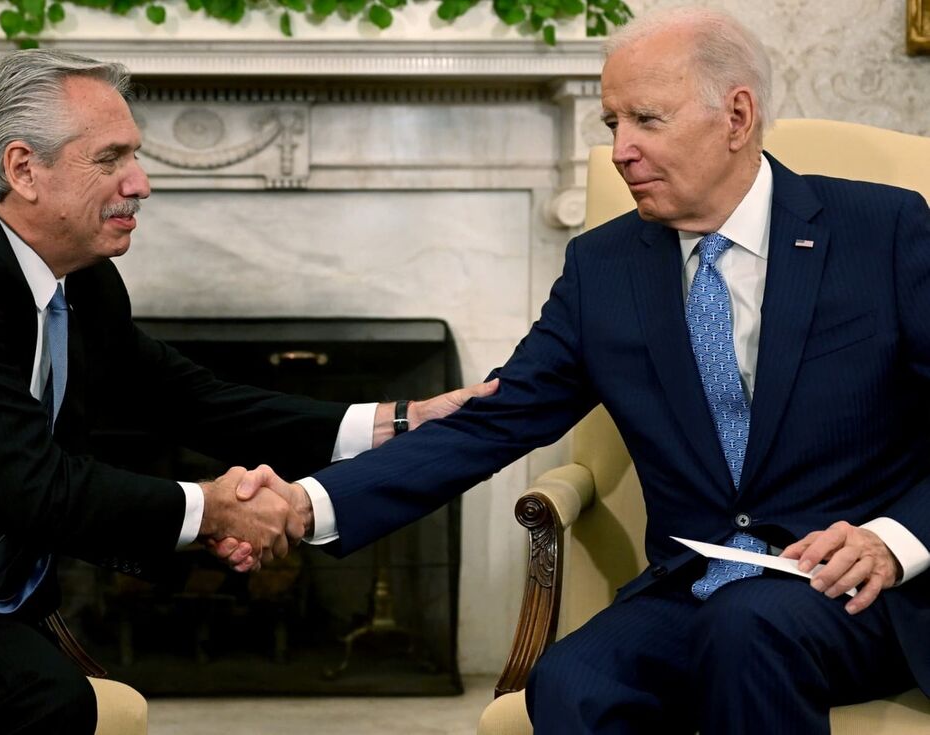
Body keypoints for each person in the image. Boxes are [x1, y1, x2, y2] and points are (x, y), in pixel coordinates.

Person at [235, 7, 930, 733]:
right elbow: (494, 420)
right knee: (570, 680)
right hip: (698, 583)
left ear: (737, 115)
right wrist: (308, 502)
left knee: (747, 629)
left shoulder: (880, 231)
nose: (621, 150)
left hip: (860, 588)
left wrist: (893, 537)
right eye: (611, 125)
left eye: (646, 120)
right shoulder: (604, 268)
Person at [0, 50, 493, 735]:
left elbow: (182, 395)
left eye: (135, 157)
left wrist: (394, 421)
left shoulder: (72, 270)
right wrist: (213, 510)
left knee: (53, 701)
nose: (140, 183)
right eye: (111, 159)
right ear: (24, 169)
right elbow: (36, 485)